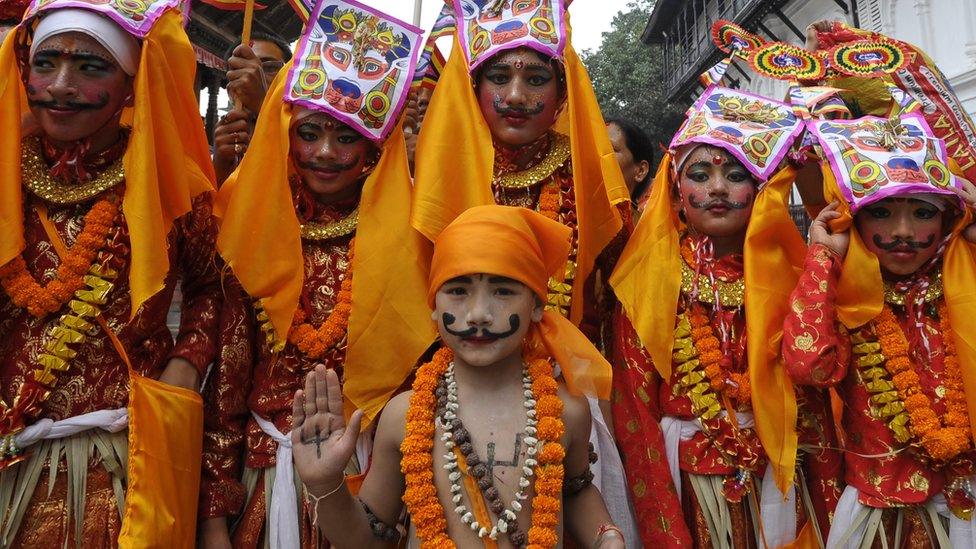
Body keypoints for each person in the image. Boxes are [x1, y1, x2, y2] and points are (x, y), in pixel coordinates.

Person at [200, 2, 434, 547]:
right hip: (265, 478)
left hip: (377, 485)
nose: (325, 153)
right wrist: (213, 520)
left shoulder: (412, 241)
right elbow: (229, 380)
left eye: (346, 137)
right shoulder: (258, 227)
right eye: (310, 133)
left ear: (376, 147)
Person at [411, 1, 638, 539]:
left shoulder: (593, 183)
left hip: (566, 413)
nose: (515, 97)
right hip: (453, 405)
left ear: (562, 96)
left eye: (536, 78)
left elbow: (618, 308)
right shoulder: (437, 172)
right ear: (474, 87)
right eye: (498, 77)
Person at [0, 0, 220, 546]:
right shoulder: (4, 169)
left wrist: (186, 365)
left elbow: (211, 288)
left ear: (131, 83)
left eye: (91, 68)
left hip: (120, 459)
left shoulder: (172, 182)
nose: (60, 85)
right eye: (45, 63)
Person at [290, 204, 626, 548]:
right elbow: (367, 539)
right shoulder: (405, 417)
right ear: (433, 306)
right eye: (459, 290)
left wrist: (607, 536)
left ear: (538, 305)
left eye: (504, 291)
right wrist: (324, 484)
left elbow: (575, 491)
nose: (479, 314)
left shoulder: (565, 410)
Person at [609, 65, 842, 545]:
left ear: (760, 191)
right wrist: (666, 532)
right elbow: (636, 416)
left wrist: (828, 502)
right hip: (691, 489)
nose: (717, 188)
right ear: (677, 189)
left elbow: (813, 406)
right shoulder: (649, 282)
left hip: (782, 481)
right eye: (700, 174)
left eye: (736, 175)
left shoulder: (791, 275)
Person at [782, 86, 976, 547]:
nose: (903, 232)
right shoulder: (849, 299)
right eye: (882, 213)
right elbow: (810, 366)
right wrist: (823, 260)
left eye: (923, 212)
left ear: (948, 220)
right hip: (880, 516)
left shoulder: (961, 287)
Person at [212, 32, 292, 185]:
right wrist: (220, 164)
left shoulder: (307, 134)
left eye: (269, 67)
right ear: (230, 90)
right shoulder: (224, 142)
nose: (252, 75)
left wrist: (262, 104)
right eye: (240, 69)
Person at [606, 118, 652, 211]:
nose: (597, 156)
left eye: (609, 150)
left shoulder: (646, 225)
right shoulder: (570, 218)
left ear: (640, 171)